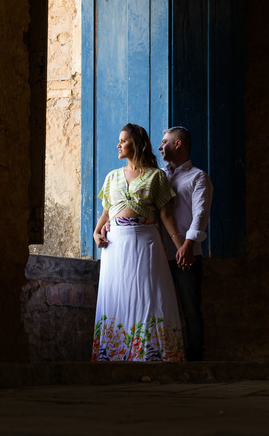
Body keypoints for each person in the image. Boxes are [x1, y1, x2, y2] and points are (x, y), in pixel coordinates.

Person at [91, 123, 186, 362]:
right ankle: (114, 355)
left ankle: (150, 355)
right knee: (117, 296)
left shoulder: (157, 176)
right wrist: (95, 233)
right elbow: (106, 213)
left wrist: (181, 247)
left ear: (138, 143)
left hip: (145, 245)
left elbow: (166, 215)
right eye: (119, 140)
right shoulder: (112, 176)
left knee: (148, 295)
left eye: (123, 140)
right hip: (115, 248)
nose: (118, 145)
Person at [157, 125, 213, 361]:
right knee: (160, 304)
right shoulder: (158, 175)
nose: (160, 147)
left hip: (187, 254)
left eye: (164, 142)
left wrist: (188, 245)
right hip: (158, 253)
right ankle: (164, 351)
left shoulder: (198, 177)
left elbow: (200, 214)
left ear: (177, 144)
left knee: (190, 307)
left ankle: (195, 357)